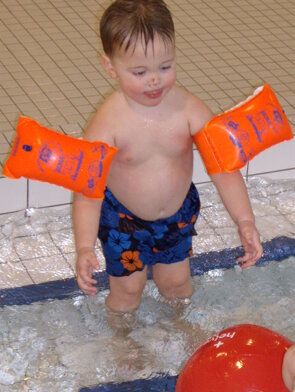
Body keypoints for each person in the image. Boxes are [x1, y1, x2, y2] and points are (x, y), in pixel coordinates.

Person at [73, 0, 263, 314]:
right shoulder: (107, 123)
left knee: (176, 285)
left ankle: (179, 327)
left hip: (176, 218)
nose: (154, 80)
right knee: (128, 291)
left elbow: (224, 170)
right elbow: (87, 192)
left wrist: (245, 221)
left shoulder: (190, 110)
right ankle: (121, 338)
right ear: (110, 67)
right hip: (123, 221)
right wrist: (84, 246)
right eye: (140, 71)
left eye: (165, 67)